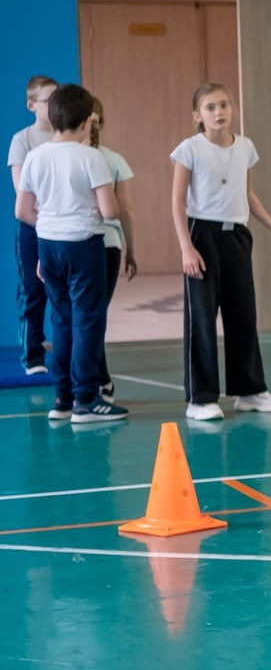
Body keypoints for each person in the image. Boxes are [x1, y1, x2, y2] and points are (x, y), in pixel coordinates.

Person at [171, 83, 271, 420]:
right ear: (197, 115)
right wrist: (186, 248)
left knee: (243, 314)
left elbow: (247, 195)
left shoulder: (245, 147)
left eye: (224, 105)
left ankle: (249, 390)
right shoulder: (189, 149)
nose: (219, 112)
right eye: (210, 107)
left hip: (236, 235)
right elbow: (177, 202)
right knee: (202, 319)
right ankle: (200, 398)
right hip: (201, 235)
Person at [14, 83, 124, 423]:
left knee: (61, 320)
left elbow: (22, 211)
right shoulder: (91, 157)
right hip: (83, 245)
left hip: (49, 246)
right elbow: (110, 211)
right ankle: (87, 399)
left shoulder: (35, 156)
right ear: (87, 121)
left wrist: (52, 227)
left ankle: (62, 398)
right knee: (88, 321)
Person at [89, 99, 138, 403]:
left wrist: (130, 248)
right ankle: (95, 380)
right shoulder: (98, 159)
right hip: (85, 244)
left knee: (89, 316)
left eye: (95, 122)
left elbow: (126, 210)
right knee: (87, 316)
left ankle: (98, 379)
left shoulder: (113, 160)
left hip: (105, 244)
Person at [10, 75, 57, 375]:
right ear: (32, 105)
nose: (54, 106)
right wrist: (41, 218)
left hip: (63, 228)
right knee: (33, 290)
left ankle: (65, 352)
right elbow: (22, 191)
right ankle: (33, 354)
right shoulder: (23, 140)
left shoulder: (66, 137)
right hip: (33, 225)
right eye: (48, 101)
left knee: (62, 292)